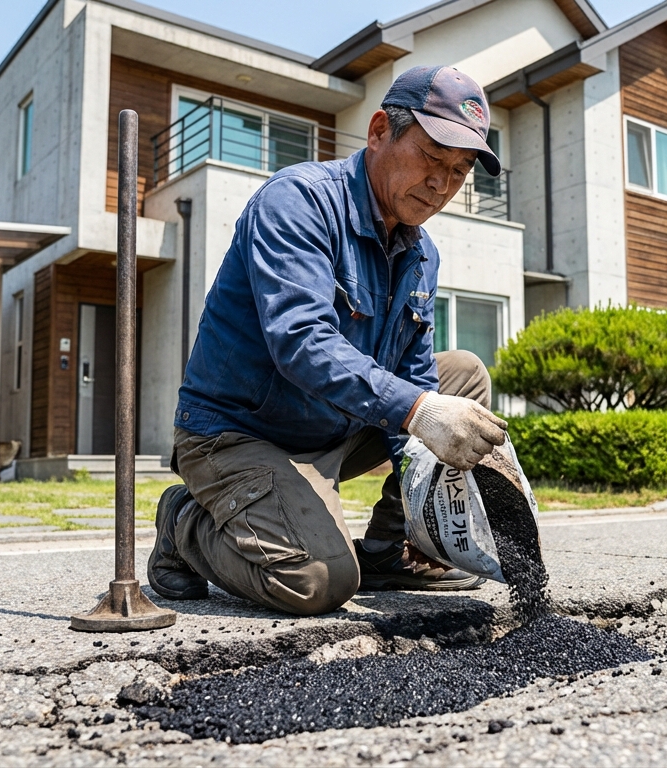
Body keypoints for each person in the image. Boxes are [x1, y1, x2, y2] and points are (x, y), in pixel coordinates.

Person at [148, 65, 509, 616]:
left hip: (333, 427)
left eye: (459, 171)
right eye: (433, 158)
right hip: (237, 434)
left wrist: (426, 511)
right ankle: (185, 521)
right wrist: (418, 410)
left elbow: (415, 373)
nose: (442, 184)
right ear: (380, 130)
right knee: (318, 580)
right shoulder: (299, 202)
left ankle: (389, 549)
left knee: (461, 377)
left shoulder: (421, 253)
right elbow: (300, 339)